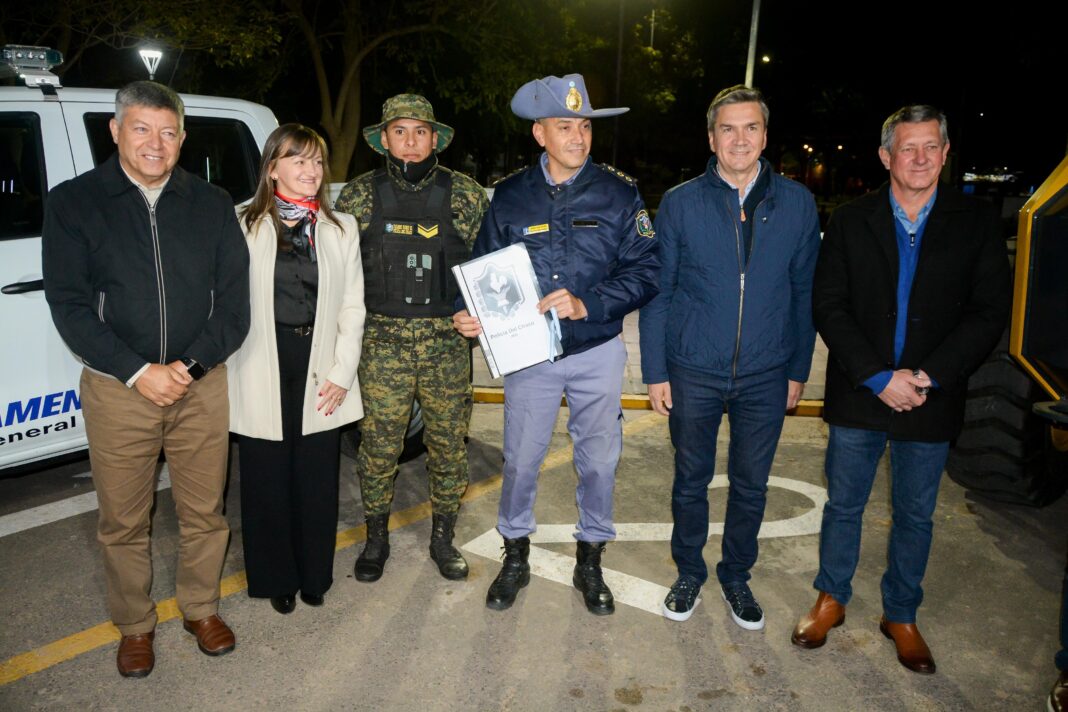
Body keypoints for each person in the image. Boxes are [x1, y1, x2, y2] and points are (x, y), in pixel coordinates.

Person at [42, 81, 250, 677]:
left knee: (204, 511)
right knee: (123, 520)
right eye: (141, 128)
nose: (155, 143)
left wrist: (188, 367)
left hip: (199, 386)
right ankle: (134, 624)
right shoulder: (74, 203)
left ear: (182, 138)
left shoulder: (211, 202)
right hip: (117, 389)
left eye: (167, 132)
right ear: (115, 131)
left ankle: (201, 609)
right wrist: (137, 371)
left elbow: (234, 305)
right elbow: (69, 306)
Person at [792, 105, 1011, 674]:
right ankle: (831, 597)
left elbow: (989, 312)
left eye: (931, 147)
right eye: (907, 148)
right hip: (860, 392)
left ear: (945, 153)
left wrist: (928, 377)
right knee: (844, 505)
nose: (920, 158)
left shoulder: (976, 222)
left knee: (916, 515)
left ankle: (901, 614)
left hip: (930, 396)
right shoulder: (850, 220)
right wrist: (877, 376)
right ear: (886, 156)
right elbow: (829, 304)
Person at [454, 73, 660, 615]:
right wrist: (470, 314)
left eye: (585, 126)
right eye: (565, 127)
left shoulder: (619, 192)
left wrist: (588, 302)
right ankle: (515, 554)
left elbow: (647, 270)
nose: (578, 137)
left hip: (596, 349)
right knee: (521, 461)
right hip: (529, 354)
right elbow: (483, 268)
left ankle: (590, 559)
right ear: (539, 133)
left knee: (599, 463)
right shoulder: (510, 195)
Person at [638, 85, 821, 628]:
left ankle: (736, 575)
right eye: (728, 129)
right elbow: (660, 292)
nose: (739, 139)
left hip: (767, 371)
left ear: (764, 136)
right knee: (690, 480)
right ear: (711, 137)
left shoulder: (797, 203)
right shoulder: (680, 202)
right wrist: (655, 371)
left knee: (751, 484)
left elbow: (804, 294)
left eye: (750, 128)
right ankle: (689, 572)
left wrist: (797, 370)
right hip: (692, 368)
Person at [335, 95, 488, 582]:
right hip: (381, 345)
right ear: (384, 139)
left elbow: (490, 266)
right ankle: (376, 537)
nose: (410, 141)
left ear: (434, 139)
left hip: (447, 343)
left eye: (420, 132)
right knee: (378, 447)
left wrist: (479, 316)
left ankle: (443, 538)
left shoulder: (465, 195)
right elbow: (338, 273)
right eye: (400, 131)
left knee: (448, 446)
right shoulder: (358, 197)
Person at [227, 124, 365, 614]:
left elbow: (353, 307)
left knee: (316, 476)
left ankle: (313, 574)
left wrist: (342, 372)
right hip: (260, 362)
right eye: (299, 160)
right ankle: (276, 578)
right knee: (266, 475)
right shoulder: (242, 223)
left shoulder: (341, 227)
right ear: (272, 168)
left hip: (321, 365)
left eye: (317, 161)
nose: (311, 170)